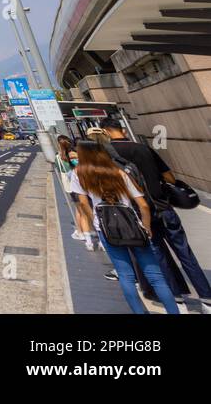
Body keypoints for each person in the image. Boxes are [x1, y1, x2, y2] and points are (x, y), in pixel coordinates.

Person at [105, 123, 209, 308]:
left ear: (106, 132)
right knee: (185, 253)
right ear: (123, 130)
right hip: (164, 208)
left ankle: (177, 298)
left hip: (140, 212)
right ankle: (206, 298)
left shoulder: (108, 155)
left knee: (159, 256)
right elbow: (169, 177)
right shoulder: (144, 149)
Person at [68, 140, 179, 314]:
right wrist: (146, 226)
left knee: (125, 276)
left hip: (107, 228)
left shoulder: (79, 174)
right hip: (134, 226)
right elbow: (142, 205)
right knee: (156, 277)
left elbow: (83, 203)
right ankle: (174, 312)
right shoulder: (119, 172)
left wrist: (96, 222)